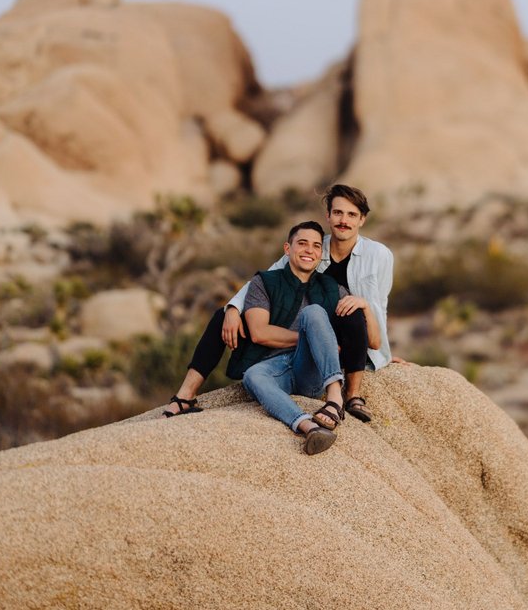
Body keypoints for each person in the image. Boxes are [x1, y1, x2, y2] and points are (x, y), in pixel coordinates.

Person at [163, 184, 393, 420]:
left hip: (345, 338)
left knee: (351, 312)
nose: (344, 220)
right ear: (328, 215)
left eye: (352, 214)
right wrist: (232, 308)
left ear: (362, 219)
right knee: (222, 316)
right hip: (308, 333)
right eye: (338, 213)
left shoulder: (378, 255)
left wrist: (383, 354)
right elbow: (267, 278)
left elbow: (378, 306)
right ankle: (185, 396)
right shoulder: (313, 245)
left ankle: (352, 395)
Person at [229, 220, 379, 454]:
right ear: (287, 248)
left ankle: (334, 399)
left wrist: (365, 307)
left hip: (312, 369)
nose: (309, 250)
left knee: (314, 312)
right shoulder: (264, 282)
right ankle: (309, 427)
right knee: (252, 376)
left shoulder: (333, 288)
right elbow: (259, 333)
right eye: (302, 243)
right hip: (277, 367)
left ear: (321, 253)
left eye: (316, 246)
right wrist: (315, 337)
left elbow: (374, 342)